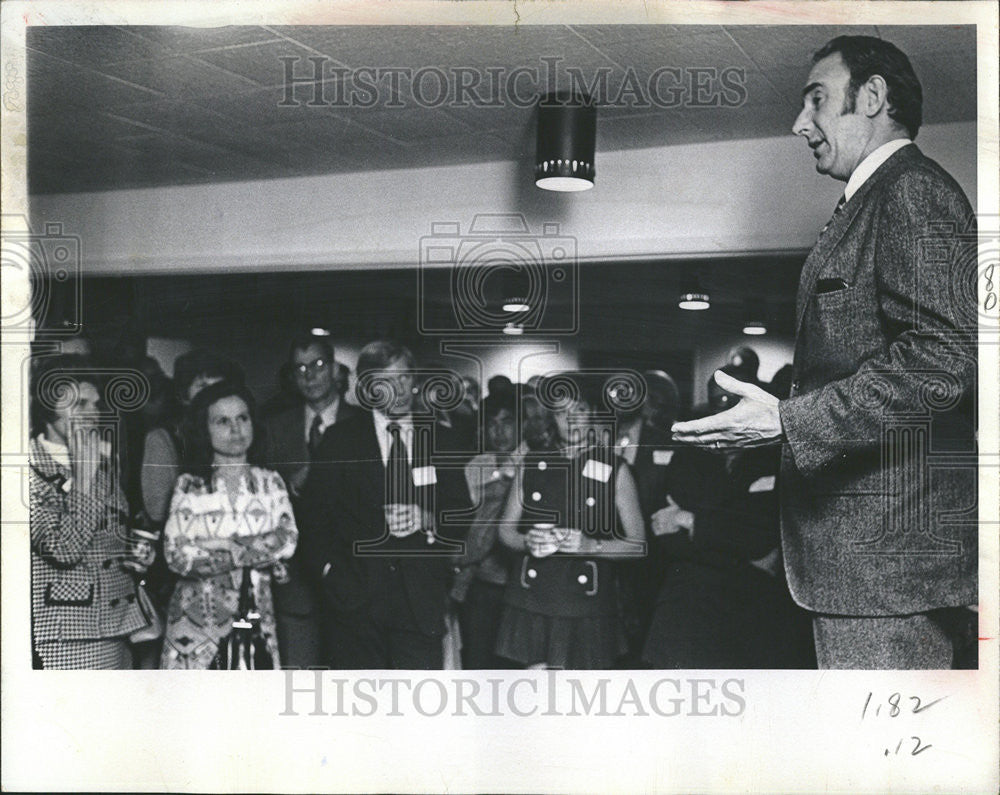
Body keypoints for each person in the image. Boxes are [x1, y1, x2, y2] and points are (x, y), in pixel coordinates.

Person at [671, 35, 977, 669]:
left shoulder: (910, 190)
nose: (798, 123)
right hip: (861, 567)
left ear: (872, 97)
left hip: (884, 573)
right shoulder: (869, 200)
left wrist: (789, 420)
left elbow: (940, 361)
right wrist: (777, 419)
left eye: (816, 100)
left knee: (883, 761)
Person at [298, 341, 471, 669]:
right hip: (354, 607)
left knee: (415, 711)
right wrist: (331, 575)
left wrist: (428, 518)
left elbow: (461, 513)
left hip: (420, 604)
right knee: (360, 713)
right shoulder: (339, 441)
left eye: (404, 378)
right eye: (386, 381)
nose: (399, 390)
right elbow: (312, 521)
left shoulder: (440, 439)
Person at [495, 376, 646, 669]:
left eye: (579, 409)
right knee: (530, 697)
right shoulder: (531, 463)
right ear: (552, 418)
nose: (571, 419)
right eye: (562, 412)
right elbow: (504, 531)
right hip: (530, 599)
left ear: (591, 413)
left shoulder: (615, 469)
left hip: (585, 604)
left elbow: (638, 545)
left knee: (581, 700)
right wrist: (526, 540)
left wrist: (592, 545)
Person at [160, 381, 297, 669]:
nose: (236, 430)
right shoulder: (190, 485)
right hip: (194, 627)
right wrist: (253, 548)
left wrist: (214, 546)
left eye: (242, 418)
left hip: (255, 619)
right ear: (204, 429)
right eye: (222, 421)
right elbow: (176, 554)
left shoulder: (270, 482)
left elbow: (286, 540)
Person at [29, 356, 153, 668]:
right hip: (68, 633)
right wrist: (83, 479)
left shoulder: (97, 461)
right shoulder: (26, 469)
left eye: (95, 405)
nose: (92, 414)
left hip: (120, 625)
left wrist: (132, 553)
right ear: (47, 407)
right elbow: (62, 549)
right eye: (80, 403)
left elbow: (106, 533)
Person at [263, 333, 358, 668]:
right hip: (295, 576)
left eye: (317, 365)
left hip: (352, 573)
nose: (309, 376)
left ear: (334, 369)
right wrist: (292, 486)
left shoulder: (362, 424)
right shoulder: (273, 428)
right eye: (299, 368)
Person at [450, 389, 523, 669]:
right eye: (491, 423)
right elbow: (467, 526)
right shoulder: (475, 467)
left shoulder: (536, 462)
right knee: (479, 665)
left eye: (506, 422)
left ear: (521, 424)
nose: (499, 431)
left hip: (520, 584)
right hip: (481, 584)